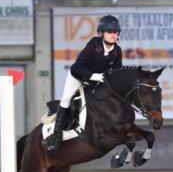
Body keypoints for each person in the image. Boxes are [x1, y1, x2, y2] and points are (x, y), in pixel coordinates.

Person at [45, 15, 123, 151]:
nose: (113, 35)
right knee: (66, 99)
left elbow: (117, 73)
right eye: (109, 32)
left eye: (115, 32)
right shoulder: (94, 44)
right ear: (101, 33)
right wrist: (93, 76)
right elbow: (77, 67)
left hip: (96, 82)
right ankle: (56, 136)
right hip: (78, 76)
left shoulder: (117, 51)